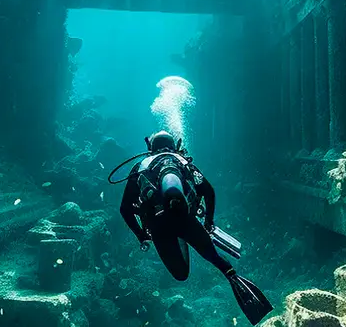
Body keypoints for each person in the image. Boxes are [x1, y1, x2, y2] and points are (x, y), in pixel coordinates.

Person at [117, 130, 272, 325]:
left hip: (159, 226)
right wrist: (208, 221)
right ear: (175, 146)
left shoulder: (141, 167)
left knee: (181, 275)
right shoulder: (182, 162)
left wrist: (141, 235)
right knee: (216, 258)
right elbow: (209, 191)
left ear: (150, 148)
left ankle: (183, 242)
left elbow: (124, 209)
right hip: (186, 220)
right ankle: (235, 280)